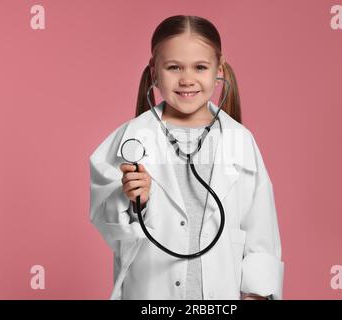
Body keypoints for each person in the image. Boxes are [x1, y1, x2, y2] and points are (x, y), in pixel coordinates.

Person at [89, 15, 284, 300]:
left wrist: (256, 293)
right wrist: (135, 201)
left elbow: (261, 230)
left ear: (219, 69)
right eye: (174, 67)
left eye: (200, 67)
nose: (187, 79)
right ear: (154, 71)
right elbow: (112, 228)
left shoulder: (239, 140)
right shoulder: (132, 138)